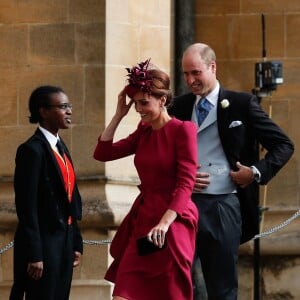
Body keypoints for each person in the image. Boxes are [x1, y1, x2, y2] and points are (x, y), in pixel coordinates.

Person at [168, 43, 294, 300]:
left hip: (224, 206)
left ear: (212, 67)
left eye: (196, 73)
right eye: (186, 74)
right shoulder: (177, 107)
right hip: (183, 206)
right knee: (176, 283)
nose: (191, 80)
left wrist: (256, 172)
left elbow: (284, 145)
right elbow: (160, 153)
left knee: (223, 288)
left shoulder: (242, 104)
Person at [93, 59, 199, 300]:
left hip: (174, 221)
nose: (139, 109)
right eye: (136, 104)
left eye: (144, 103)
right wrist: (119, 115)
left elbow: (186, 184)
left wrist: (164, 223)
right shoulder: (144, 131)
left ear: (162, 100)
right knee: (122, 294)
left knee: (170, 294)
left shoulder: (184, 130)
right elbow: (103, 153)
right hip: (143, 218)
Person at [9, 85, 83, 300]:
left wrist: (76, 243)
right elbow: (26, 206)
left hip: (64, 242)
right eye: (62, 106)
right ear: (43, 111)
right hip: (43, 246)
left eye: (69, 106)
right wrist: (35, 253)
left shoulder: (61, 147)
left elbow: (70, 198)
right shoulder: (31, 150)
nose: (69, 111)